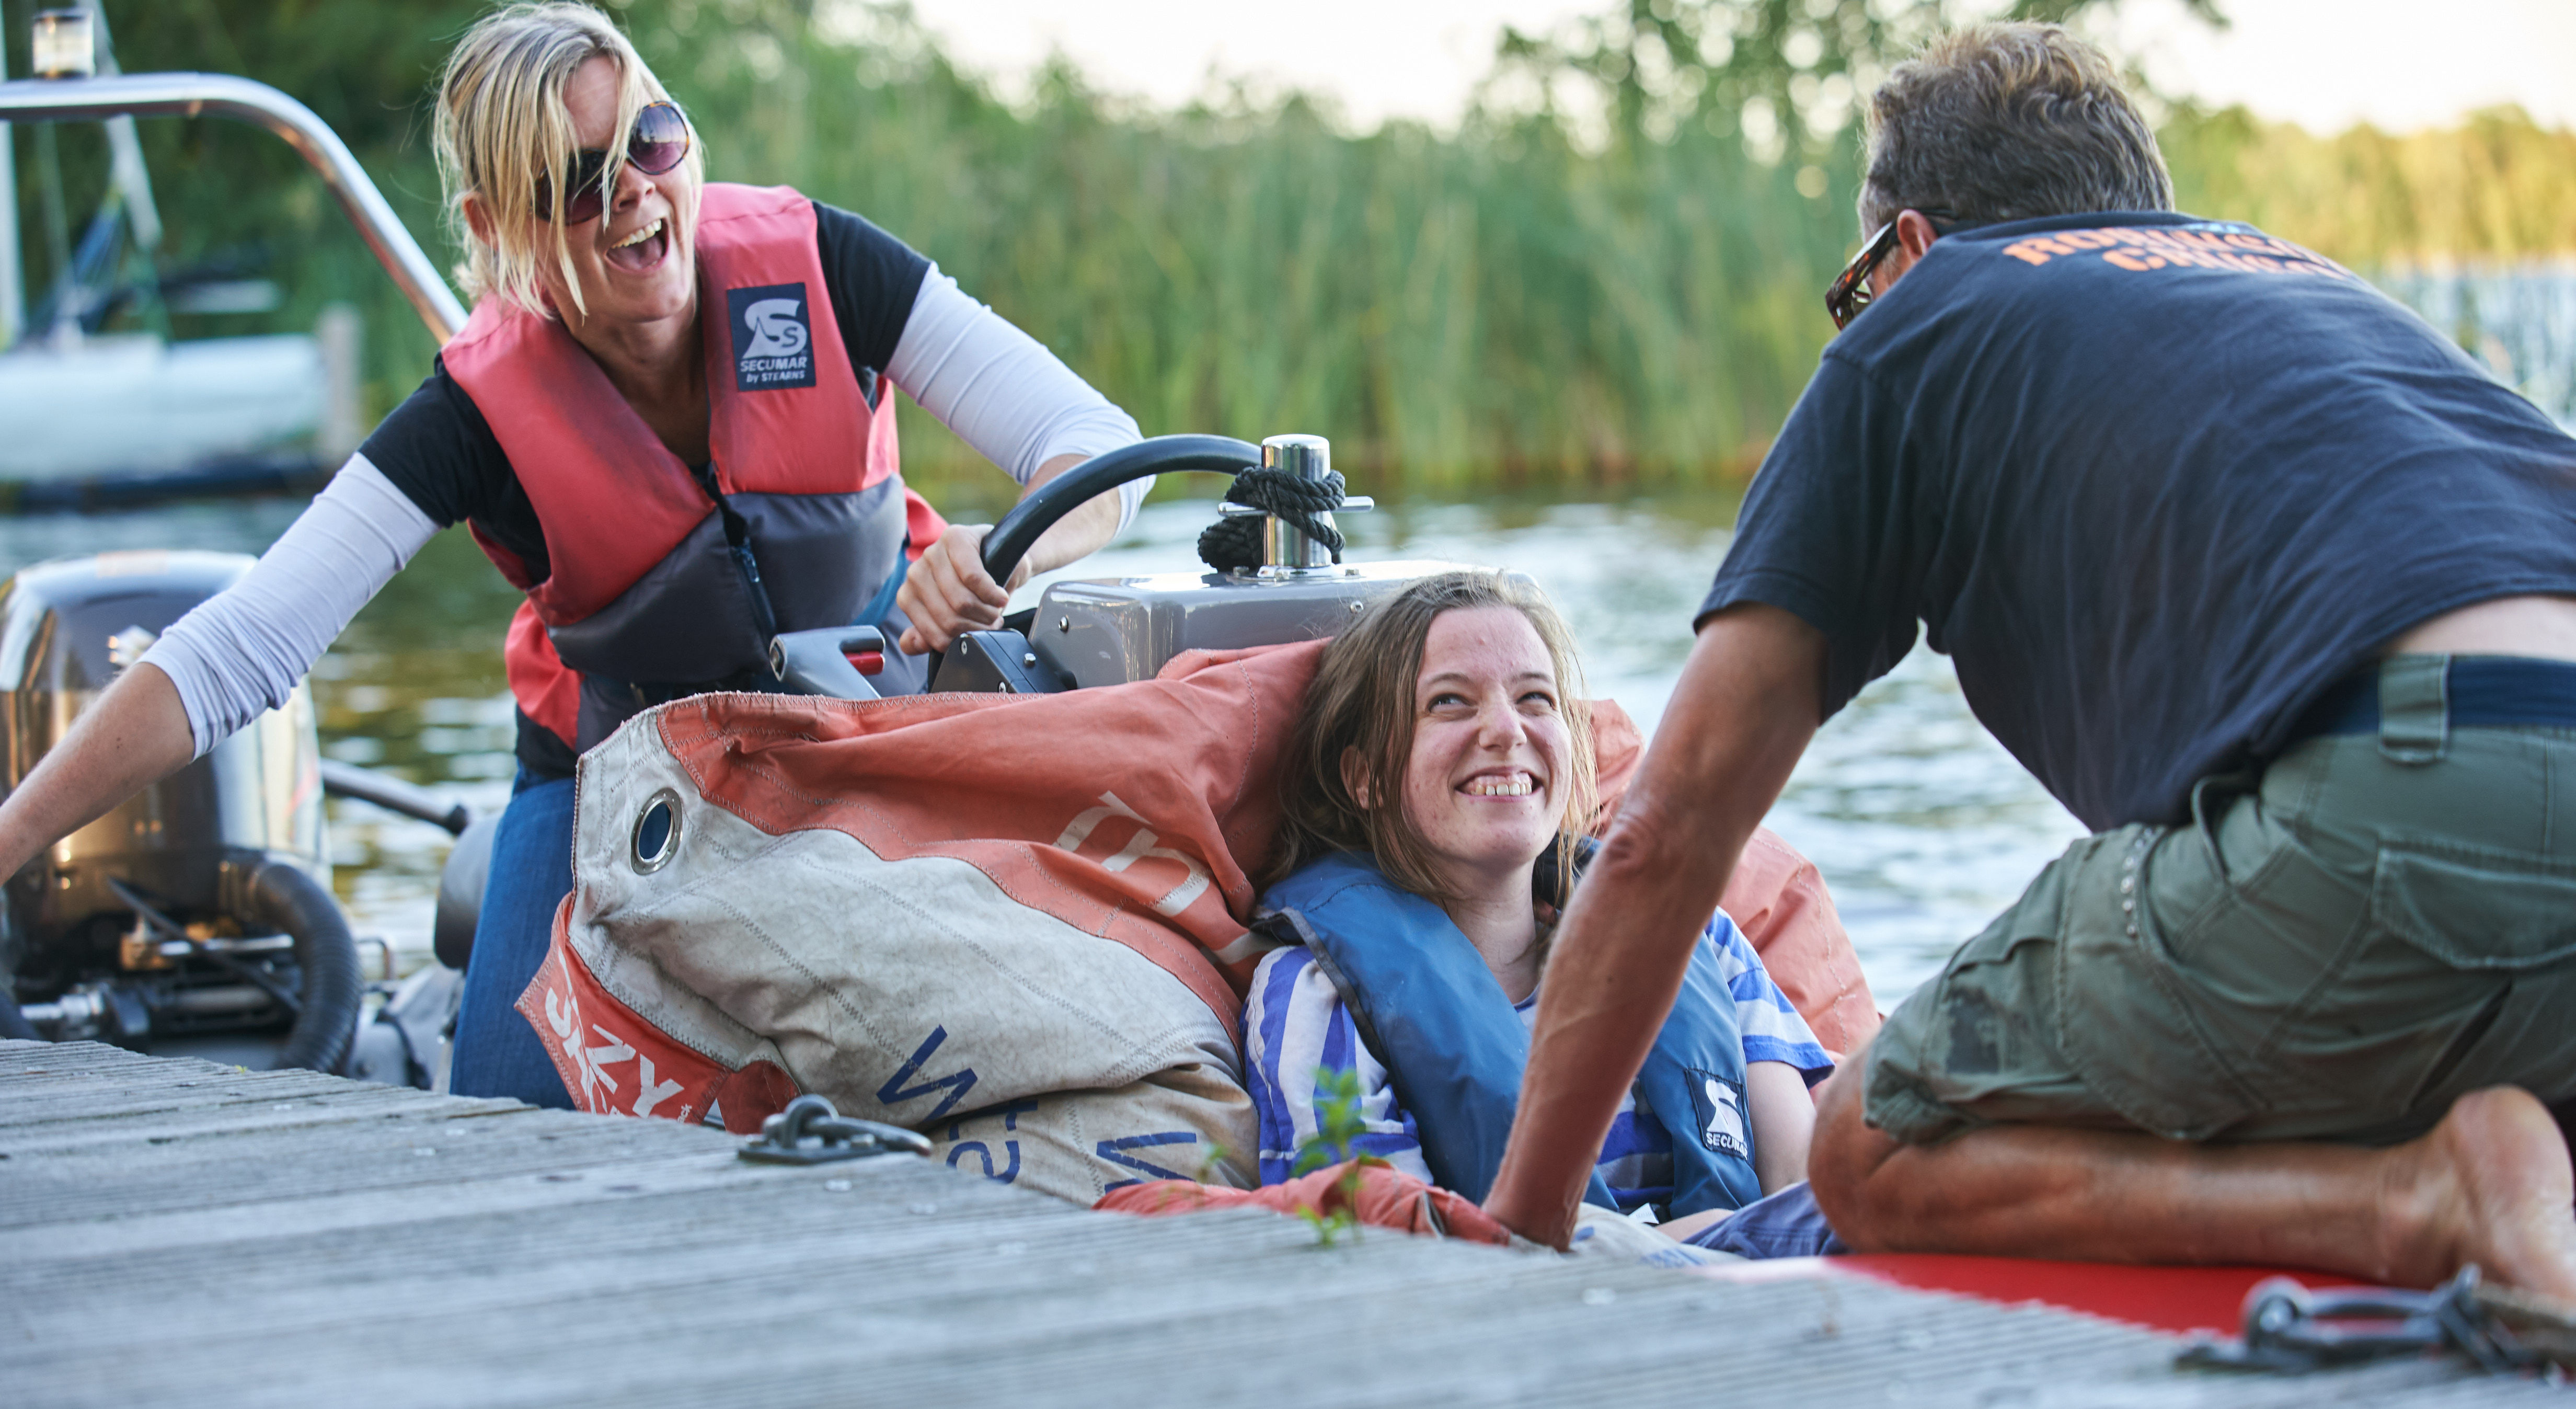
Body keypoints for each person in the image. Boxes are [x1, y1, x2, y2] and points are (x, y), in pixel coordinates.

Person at [1482, 21, 2576, 1301]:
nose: (1859, 321)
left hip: (2404, 802)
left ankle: (2418, 1202)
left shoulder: (1928, 318)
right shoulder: (2313, 288)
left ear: (1905, 249)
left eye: (1854, 290)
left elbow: (1670, 826)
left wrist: (1521, 1241)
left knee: (1876, 1145)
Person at [0, 2, 1150, 1107]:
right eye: (573, 184)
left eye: (650, 141)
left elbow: (1100, 450)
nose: (635, 200)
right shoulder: (470, 418)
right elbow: (238, 652)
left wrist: (996, 555)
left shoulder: (827, 265)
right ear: (499, 229)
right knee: (503, 1115)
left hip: (865, 740)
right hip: (604, 774)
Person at [1243, 572, 1832, 1242]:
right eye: (1449, 703)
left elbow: (1807, 1198)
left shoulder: (1699, 936)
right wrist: (1692, 1245)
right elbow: (1382, 1263)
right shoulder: (1318, 997)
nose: (1504, 729)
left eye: (1534, 698)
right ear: (1365, 777)